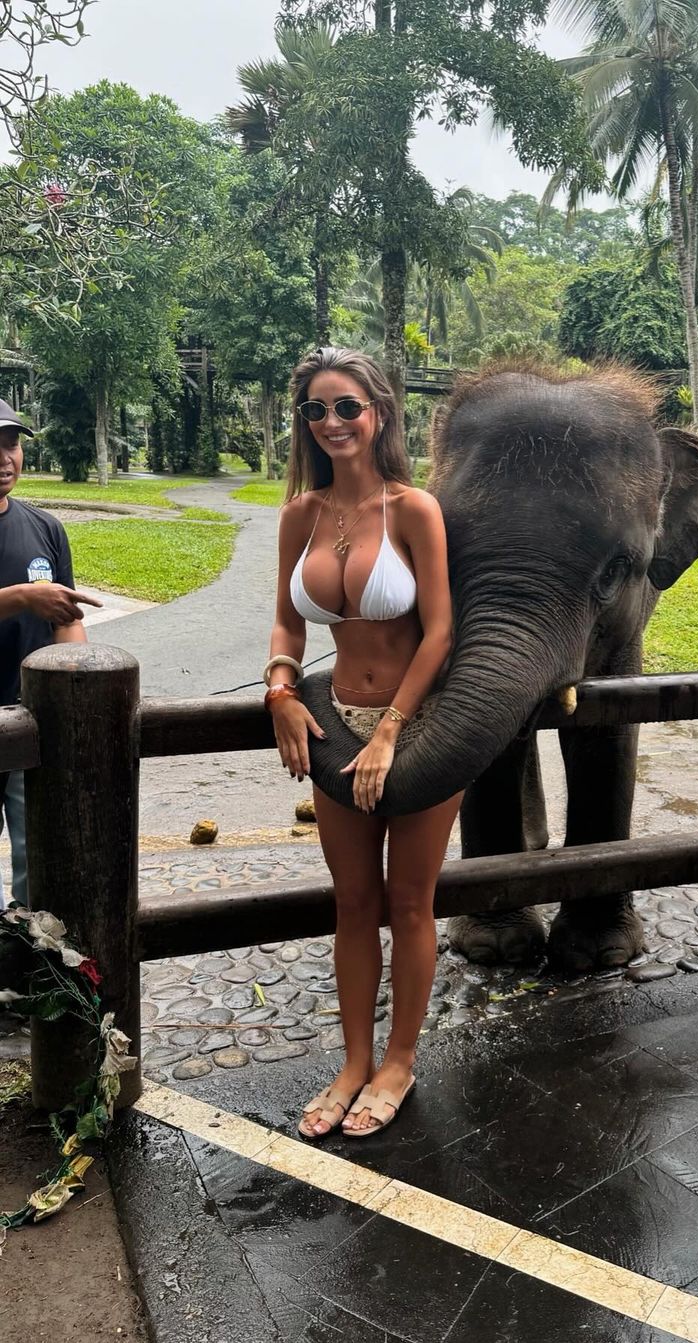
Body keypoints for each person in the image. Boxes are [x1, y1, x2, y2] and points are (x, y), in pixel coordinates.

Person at [266, 348, 457, 1140]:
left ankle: (398, 1061)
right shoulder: (300, 516)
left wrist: (391, 731)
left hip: (419, 729)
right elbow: (288, 622)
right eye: (316, 409)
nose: (332, 421)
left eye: (347, 406)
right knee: (352, 903)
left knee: (409, 901)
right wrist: (280, 689)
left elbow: (439, 631)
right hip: (336, 722)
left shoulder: (414, 508)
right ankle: (353, 1061)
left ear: (379, 413)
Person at [0, 398, 101, 908]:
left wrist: (80, 685)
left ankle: (28, 949)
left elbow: (67, 621)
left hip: (30, 722)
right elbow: (33, 601)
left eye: (11, 444)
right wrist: (21, 597)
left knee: (36, 854)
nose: (5, 458)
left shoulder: (45, 528)